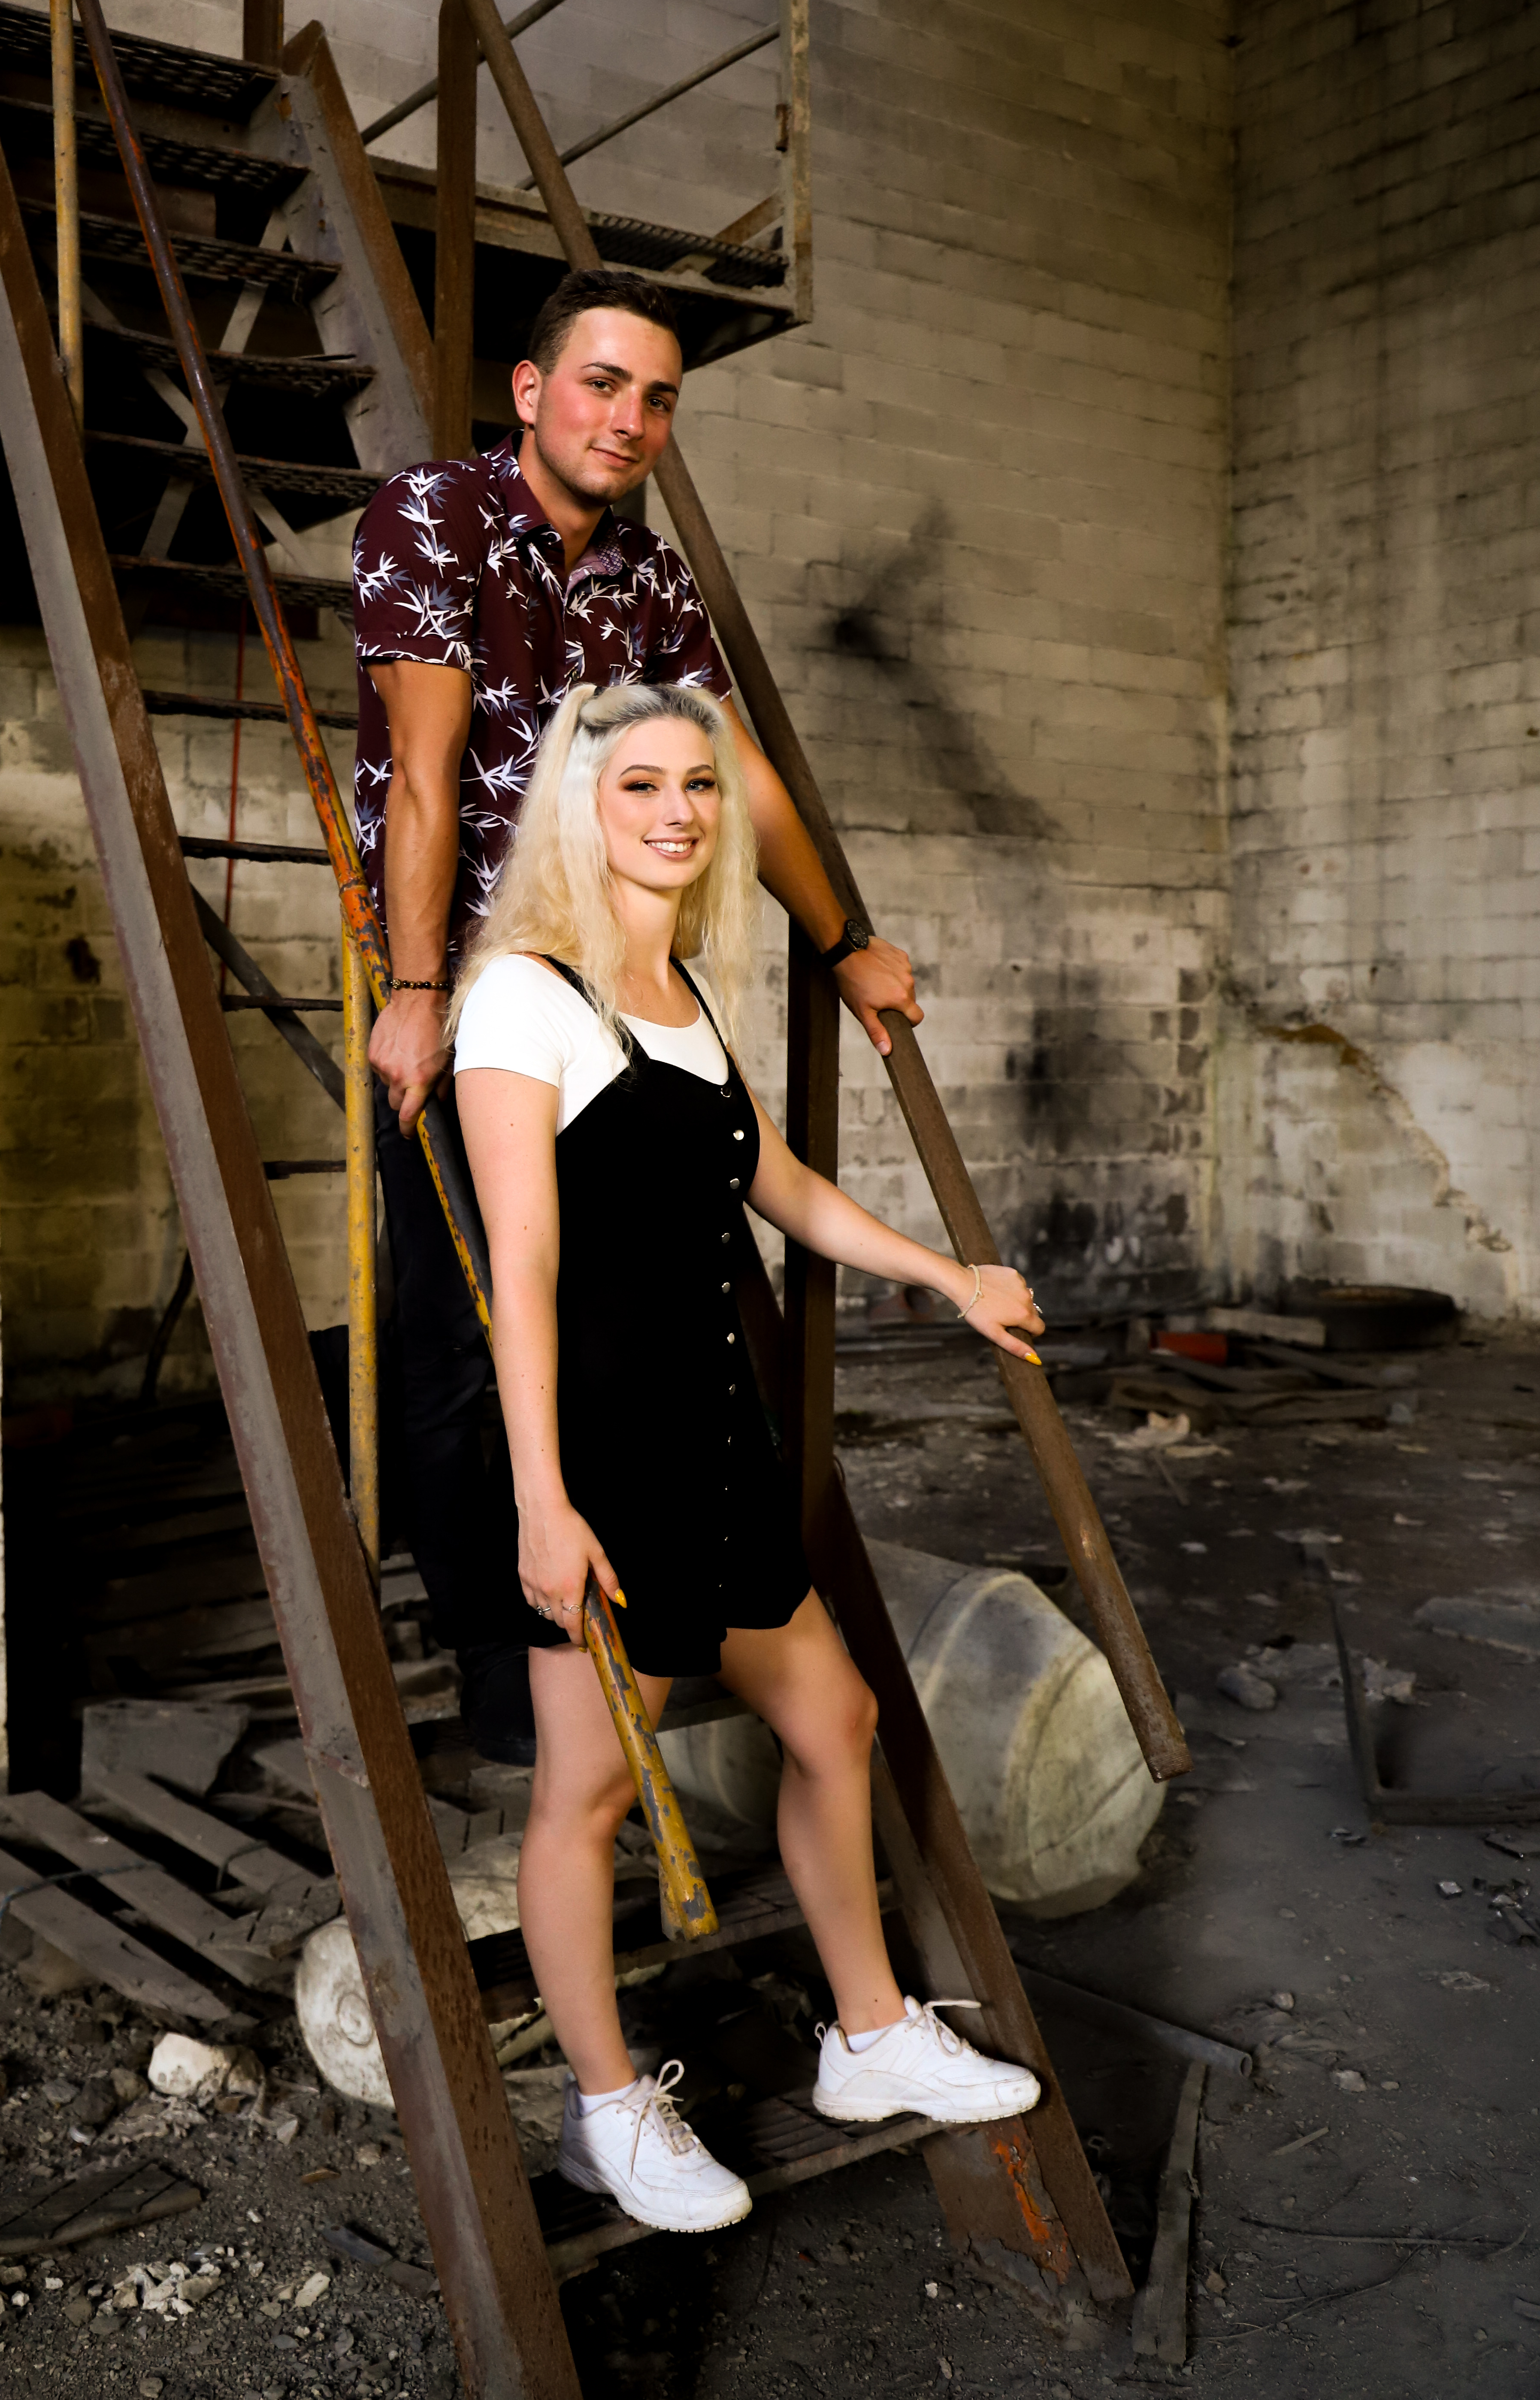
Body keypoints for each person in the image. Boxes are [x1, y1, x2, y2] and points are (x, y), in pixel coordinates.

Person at [451, 678, 1047, 2234]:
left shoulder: (679, 993)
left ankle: (870, 2036)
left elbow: (776, 1182)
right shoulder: (523, 997)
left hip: (715, 1434)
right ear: (583, 810)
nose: (678, 812)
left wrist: (949, 1278)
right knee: (588, 1798)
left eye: (700, 786)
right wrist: (541, 1499)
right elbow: (521, 1265)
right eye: (641, 785)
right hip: (601, 1459)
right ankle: (603, 2113)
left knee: (836, 1717)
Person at [349, 266, 923, 1759]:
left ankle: (676, 1589)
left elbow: (738, 774)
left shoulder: (651, 578)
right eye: (603, 383)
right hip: (471, 987)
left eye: (658, 398)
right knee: (461, 1324)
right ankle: (501, 1647)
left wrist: (846, 940)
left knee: (635, 1315)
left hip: (611, 992)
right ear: (532, 390)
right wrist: (416, 990)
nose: (630, 418)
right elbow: (426, 778)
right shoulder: (433, 517)